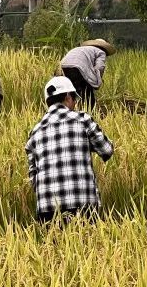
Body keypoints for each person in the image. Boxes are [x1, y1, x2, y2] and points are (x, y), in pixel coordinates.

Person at [25, 76, 115, 223]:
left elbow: (33, 177)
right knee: (86, 245)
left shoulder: (35, 132)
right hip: (82, 204)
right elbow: (107, 150)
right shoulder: (82, 119)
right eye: (74, 100)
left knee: (55, 246)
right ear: (67, 97)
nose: (75, 104)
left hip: (47, 209)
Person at [59, 39, 116, 110]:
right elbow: (100, 67)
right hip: (78, 68)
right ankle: (90, 113)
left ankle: (68, 110)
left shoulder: (80, 49)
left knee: (72, 91)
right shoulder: (101, 52)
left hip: (63, 67)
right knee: (87, 92)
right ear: (104, 48)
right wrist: (98, 80)